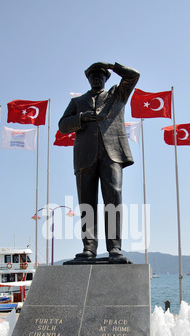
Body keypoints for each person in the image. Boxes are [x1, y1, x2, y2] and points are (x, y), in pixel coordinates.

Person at [59, 62, 140, 260]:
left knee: (113, 198)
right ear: (88, 79)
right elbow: (62, 126)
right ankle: (89, 248)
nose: (96, 78)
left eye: (100, 74)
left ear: (106, 78)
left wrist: (111, 65)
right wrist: (82, 118)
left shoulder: (117, 95)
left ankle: (114, 248)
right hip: (85, 157)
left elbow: (134, 76)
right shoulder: (78, 102)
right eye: (93, 75)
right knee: (87, 202)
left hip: (112, 154)